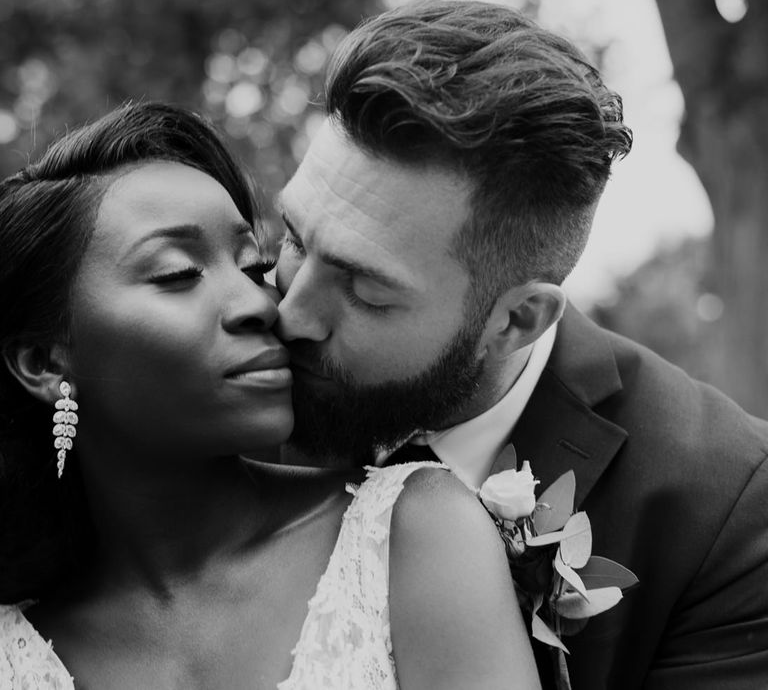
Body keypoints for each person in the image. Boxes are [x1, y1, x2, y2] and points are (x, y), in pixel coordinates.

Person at [274, 0, 768, 689]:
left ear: (516, 321)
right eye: (295, 237)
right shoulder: (217, 379)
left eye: (366, 291)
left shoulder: (723, 513)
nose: (290, 313)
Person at [0, 102, 541, 689]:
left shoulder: (407, 534)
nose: (262, 304)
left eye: (253, 265)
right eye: (179, 273)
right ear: (44, 360)